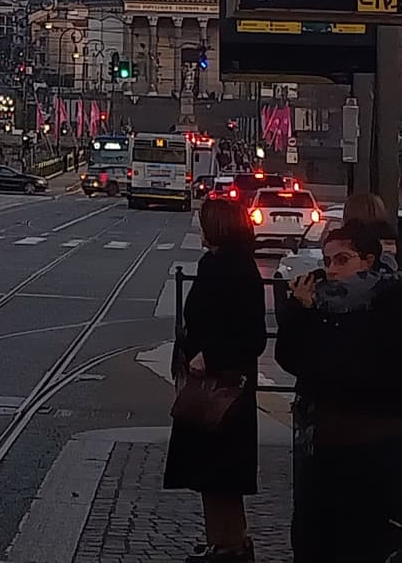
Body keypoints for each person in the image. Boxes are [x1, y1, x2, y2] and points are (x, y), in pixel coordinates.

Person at [276, 221, 402, 563]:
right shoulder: (325, 305)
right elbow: (295, 361)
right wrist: (299, 311)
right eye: (327, 262)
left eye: (342, 260)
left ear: (368, 260)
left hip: (382, 451)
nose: (332, 271)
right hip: (330, 450)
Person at [163, 196, 267, 560]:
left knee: (222, 478)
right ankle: (220, 542)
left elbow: (252, 335)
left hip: (224, 389)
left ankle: (231, 546)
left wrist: (210, 355)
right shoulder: (217, 264)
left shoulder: (235, 269)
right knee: (213, 478)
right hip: (214, 387)